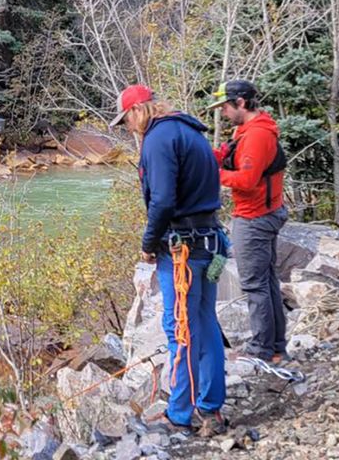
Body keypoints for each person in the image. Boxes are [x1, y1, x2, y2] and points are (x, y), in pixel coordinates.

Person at [110, 84, 228, 436]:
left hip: (183, 250)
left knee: (180, 329)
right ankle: (210, 407)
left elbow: (161, 201)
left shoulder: (159, 139)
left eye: (126, 120)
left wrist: (148, 243)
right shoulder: (190, 131)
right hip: (210, 240)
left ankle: (179, 413)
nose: (129, 128)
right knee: (205, 324)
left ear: (137, 111)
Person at [208, 80, 289, 364]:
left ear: (240, 103)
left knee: (255, 284)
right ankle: (276, 346)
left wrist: (212, 174)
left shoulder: (256, 136)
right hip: (263, 213)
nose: (224, 114)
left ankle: (261, 350)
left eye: (226, 108)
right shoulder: (248, 131)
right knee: (267, 281)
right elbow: (232, 156)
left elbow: (246, 180)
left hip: (255, 217)